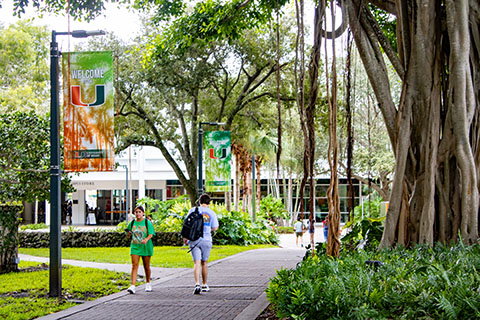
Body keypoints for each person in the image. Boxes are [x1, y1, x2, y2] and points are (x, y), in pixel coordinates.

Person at [183, 193, 219, 295]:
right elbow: (215, 227)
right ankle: (204, 284)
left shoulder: (193, 210)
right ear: (209, 202)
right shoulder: (211, 213)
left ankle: (197, 283)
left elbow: (186, 224)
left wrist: (185, 237)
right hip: (206, 239)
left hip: (194, 239)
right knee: (204, 263)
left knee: (196, 263)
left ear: (199, 201)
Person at [125, 205, 155, 294]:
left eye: (139, 212)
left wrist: (146, 239)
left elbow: (151, 234)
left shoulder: (147, 222)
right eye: (136, 212)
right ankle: (133, 285)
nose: (138, 214)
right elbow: (128, 233)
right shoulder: (133, 222)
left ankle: (148, 282)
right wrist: (128, 234)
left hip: (145, 247)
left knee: (146, 266)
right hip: (135, 246)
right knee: (134, 265)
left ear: (143, 213)